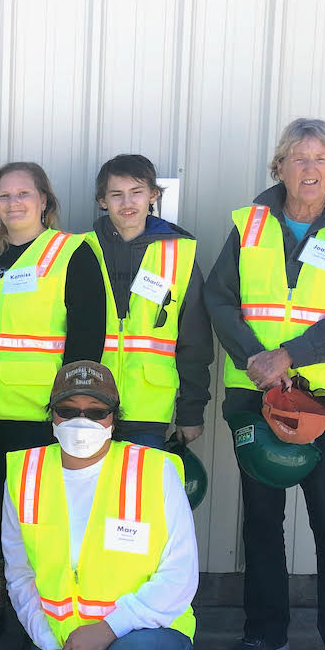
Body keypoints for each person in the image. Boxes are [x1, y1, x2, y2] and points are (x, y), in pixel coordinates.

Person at [205, 118, 325, 650]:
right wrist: (258, 359)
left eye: (321, 157)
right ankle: (264, 631)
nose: (309, 169)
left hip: (323, 407)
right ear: (278, 166)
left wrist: (289, 354)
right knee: (261, 520)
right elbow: (219, 298)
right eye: (297, 157)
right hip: (256, 399)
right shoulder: (248, 223)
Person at [4, 360, 197, 650]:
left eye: (96, 411)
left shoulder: (155, 470)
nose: (81, 421)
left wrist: (108, 629)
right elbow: (20, 578)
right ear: (51, 415)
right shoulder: (25, 474)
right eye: (68, 410)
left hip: (141, 638)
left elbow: (180, 576)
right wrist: (51, 647)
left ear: (115, 417)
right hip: (66, 644)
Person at [0, 162, 105, 650]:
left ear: (44, 200)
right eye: (4, 195)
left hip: (39, 415)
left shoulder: (69, 253)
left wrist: (72, 410)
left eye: (24, 194)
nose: (13, 203)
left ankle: (38, 622)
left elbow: (86, 340)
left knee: (41, 518)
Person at [84, 154, 213, 450]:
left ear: (153, 195)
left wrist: (191, 411)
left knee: (139, 495)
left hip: (148, 410)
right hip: (85, 405)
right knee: (88, 496)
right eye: (116, 194)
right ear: (102, 201)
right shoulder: (80, 249)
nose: (127, 203)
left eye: (137, 192)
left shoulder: (179, 256)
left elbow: (195, 342)